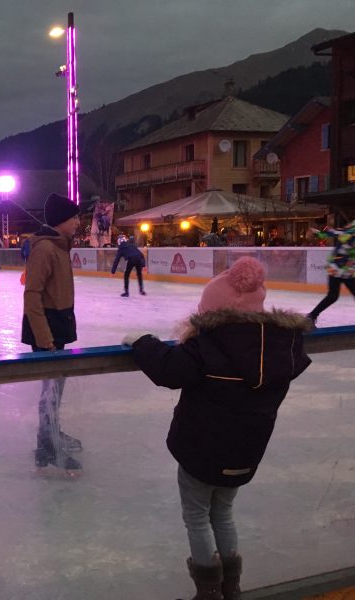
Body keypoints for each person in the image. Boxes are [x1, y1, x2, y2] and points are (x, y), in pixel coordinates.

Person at [122, 256, 311, 600]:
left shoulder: (207, 345)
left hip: (200, 452)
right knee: (223, 513)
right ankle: (231, 588)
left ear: (214, 312)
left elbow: (168, 370)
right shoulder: (282, 346)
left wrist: (142, 342)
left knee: (197, 516)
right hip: (246, 451)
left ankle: (209, 591)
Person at [21, 193, 82, 473]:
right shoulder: (45, 249)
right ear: (62, 221)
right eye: (75, 217)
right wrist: (45, 340)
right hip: (47, 330)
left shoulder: (60, 246)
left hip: (58, 324)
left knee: (54, 390)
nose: (79, 222)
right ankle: (49, 444)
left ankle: (49, 436)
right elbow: (32, 296)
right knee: (51, 392)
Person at [306, 220, 355, 326]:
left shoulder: (347, 230)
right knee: (332, 296)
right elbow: (334, 232)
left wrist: (317, 232)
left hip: (338, 268)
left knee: (332, 296)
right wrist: (317, 232)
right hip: (343, 270)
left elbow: (334, 232)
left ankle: (312, 315)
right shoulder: (350, 231)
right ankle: (312, 316)